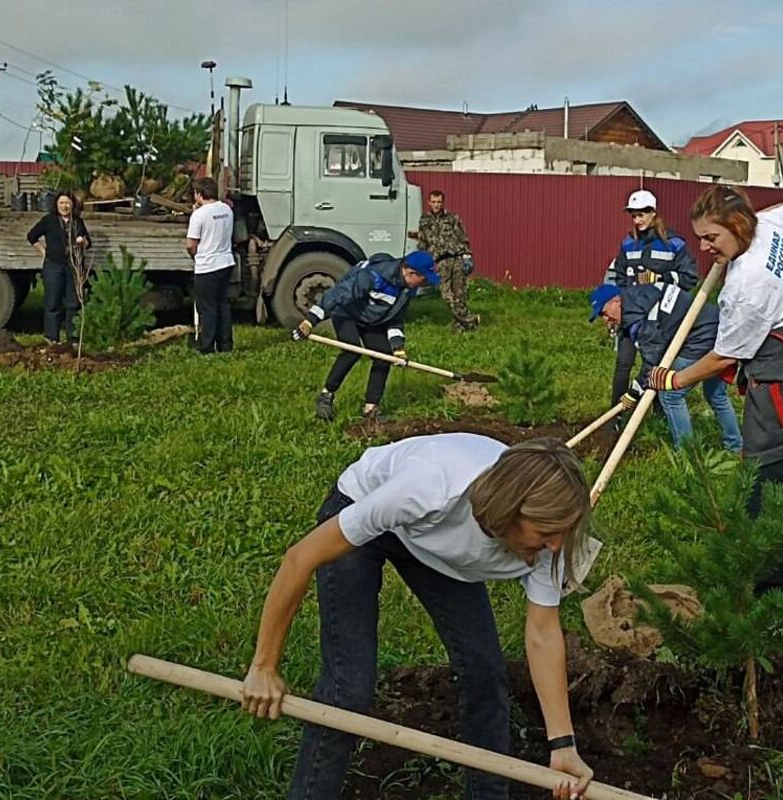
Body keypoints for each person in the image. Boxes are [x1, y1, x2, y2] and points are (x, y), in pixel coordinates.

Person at [239, 434, 597, 800]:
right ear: (509, 511)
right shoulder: (428, 488)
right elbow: (301, 557)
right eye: (545, 534)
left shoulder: (552, 541)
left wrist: (563, 744)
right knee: (349, 690)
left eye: (561, 534)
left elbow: (542, 633)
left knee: (485, 674)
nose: (555, 545)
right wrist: (264, 666)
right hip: (367, 509)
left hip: (439, 548)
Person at [644, 186, 783, 592]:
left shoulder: (747, 286)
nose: (703, 248)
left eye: (711, 238)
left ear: (737, 227)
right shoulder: (770, 225)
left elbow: (725, 357)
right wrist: (751, 220)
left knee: (761, 498)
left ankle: (774, 601)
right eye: (701, 237)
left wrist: (675, 379)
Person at [588, 282, 742, 452]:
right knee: (715, 394)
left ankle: (686, 453)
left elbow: (653, 360)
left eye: (604, 312)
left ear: (616, 301)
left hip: (701, 337)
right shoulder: (641, 295)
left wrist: (634, 392)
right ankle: (735, 447)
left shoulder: (641, 316)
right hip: (720, 328)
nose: (605, 319)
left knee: (670, 394)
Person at [293, 251, 440, 422]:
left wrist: (398, 348)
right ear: (410, 272)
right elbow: (337, 295)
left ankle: (371, 409)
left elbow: (395, 318)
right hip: (347, 312)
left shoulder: (407, 290)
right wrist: (310, 321)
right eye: (424, 279)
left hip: (372, 319)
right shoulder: (373, 276)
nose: (425, 283)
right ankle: (326, 395)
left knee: (384, 356)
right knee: (351, 350)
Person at [605, 189, 698, 410]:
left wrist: (660, 278)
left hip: (662, 318)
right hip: (632, 316)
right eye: (633, 215)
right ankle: (616, 414)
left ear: (653, 213)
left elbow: (689, 278)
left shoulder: (674, 244)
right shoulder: (628, 243)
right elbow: (618, 275)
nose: (637, 220)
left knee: (656, 365)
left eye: (641, 215)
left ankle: (657, 413)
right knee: (623, 364)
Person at [27, 191, 90, 344]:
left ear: (72, 205)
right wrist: (44, 252)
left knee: (73, 303)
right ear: (56, 204)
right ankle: (52, 338)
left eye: (67, 203)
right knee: (52, 303)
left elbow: (88, 243)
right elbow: (31, 236)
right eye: (61, 203)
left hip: (74, 267)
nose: (64, 206)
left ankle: (73, 339)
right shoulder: (49, 220)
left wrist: (82, 241)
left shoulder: (77, 222)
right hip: (53, 266)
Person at [185, 177, 237, 354]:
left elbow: (191, 244)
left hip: (207, 265)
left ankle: (206, 347)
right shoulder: (227, 210)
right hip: (226, 262)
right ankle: (225, 345)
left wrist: (195, 256)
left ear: (199, 194)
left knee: (207, 308)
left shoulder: (198, 216)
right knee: (223, 305)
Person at [416, 190, 479, 332]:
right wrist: (422, 259)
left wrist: (467, 256)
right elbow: (422, 242)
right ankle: (469, 319)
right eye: (433, 202)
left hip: (456, 258)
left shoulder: (452, 218)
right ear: (429, 203)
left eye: (439, 202)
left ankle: (459, 325)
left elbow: (463, 237)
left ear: (443, 202)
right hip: (439, 261)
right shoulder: (424, 220)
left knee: (460, 293)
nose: (436, 205)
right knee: (446, 294)